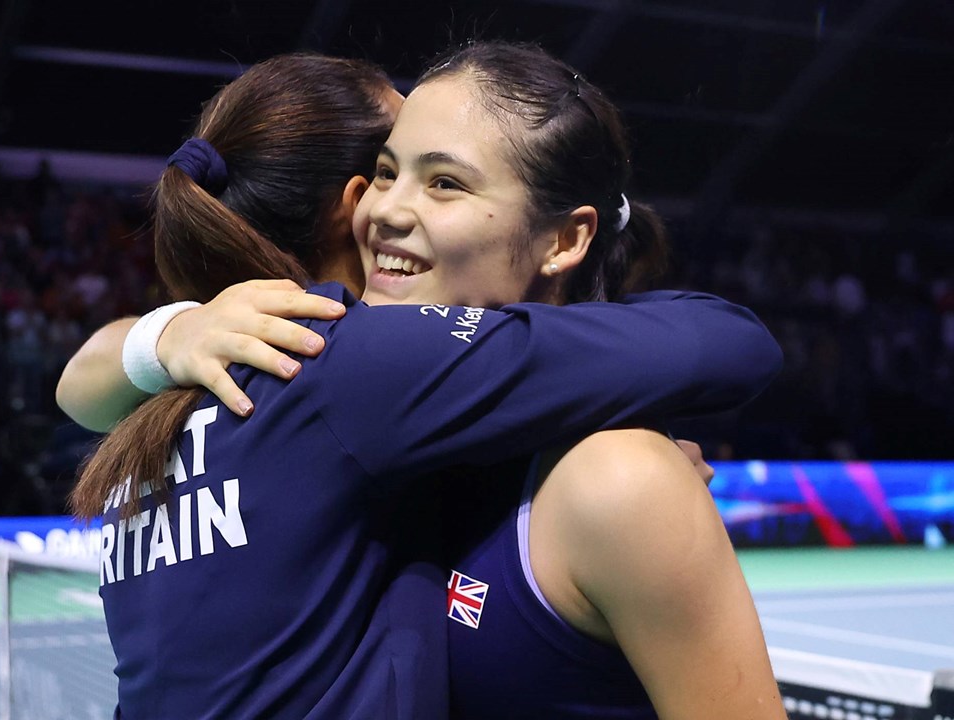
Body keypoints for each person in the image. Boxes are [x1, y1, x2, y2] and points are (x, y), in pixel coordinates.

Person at [62, 52, 782, 719]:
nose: (391, 209)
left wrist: (158, 334)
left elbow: (76, 386)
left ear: (565, 238)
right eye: (384, 169)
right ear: (347, 202)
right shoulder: (351, 370)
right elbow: (731, 342)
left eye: (444, 181)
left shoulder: (163, 406)